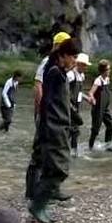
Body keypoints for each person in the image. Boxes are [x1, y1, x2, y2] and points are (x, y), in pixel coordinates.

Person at [28, 38, 80, 223]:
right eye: (72, 57)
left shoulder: (60, 72)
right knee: (59, 168)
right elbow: (47, 104)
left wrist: (74, 117)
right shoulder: (54, 73)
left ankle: (42, 203)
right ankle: (37, 205)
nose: (74, 61)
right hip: (53, 127)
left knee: (55, 167)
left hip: (60, 126)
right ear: (63, 55)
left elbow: (62, 101)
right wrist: (48, 128)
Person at [25, 31, 72, 200]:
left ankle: (53, 190)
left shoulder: (63, 65)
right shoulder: (47, 62)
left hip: (56, 117)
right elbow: (38, 87)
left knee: (54, 154)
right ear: (58, 46)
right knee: (39, 153)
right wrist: (40, 113)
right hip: (46, 116)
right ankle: (31, 192)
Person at [88, 59, 112, 152]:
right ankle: (90, 147)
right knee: (95, 130)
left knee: (111, 125)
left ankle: (108, 145)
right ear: (103, 70)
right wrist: (92, 98)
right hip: (98, 109)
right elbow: (91, 92)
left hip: (105, 109)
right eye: (108, 69)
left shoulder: (107, 79)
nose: (109, 71)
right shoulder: (98, 80)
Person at [67, 53, 92, 157]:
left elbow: (79, 92)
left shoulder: (81, 76)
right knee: (73, 129)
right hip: (69, 105)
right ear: (79, 64)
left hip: (76, 106)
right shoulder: (70, 75)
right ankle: (71, 151)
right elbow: (62, 91)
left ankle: (71, 150)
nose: (86, 67)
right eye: (85, 65)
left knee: (73, 129)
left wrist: (87, 99)